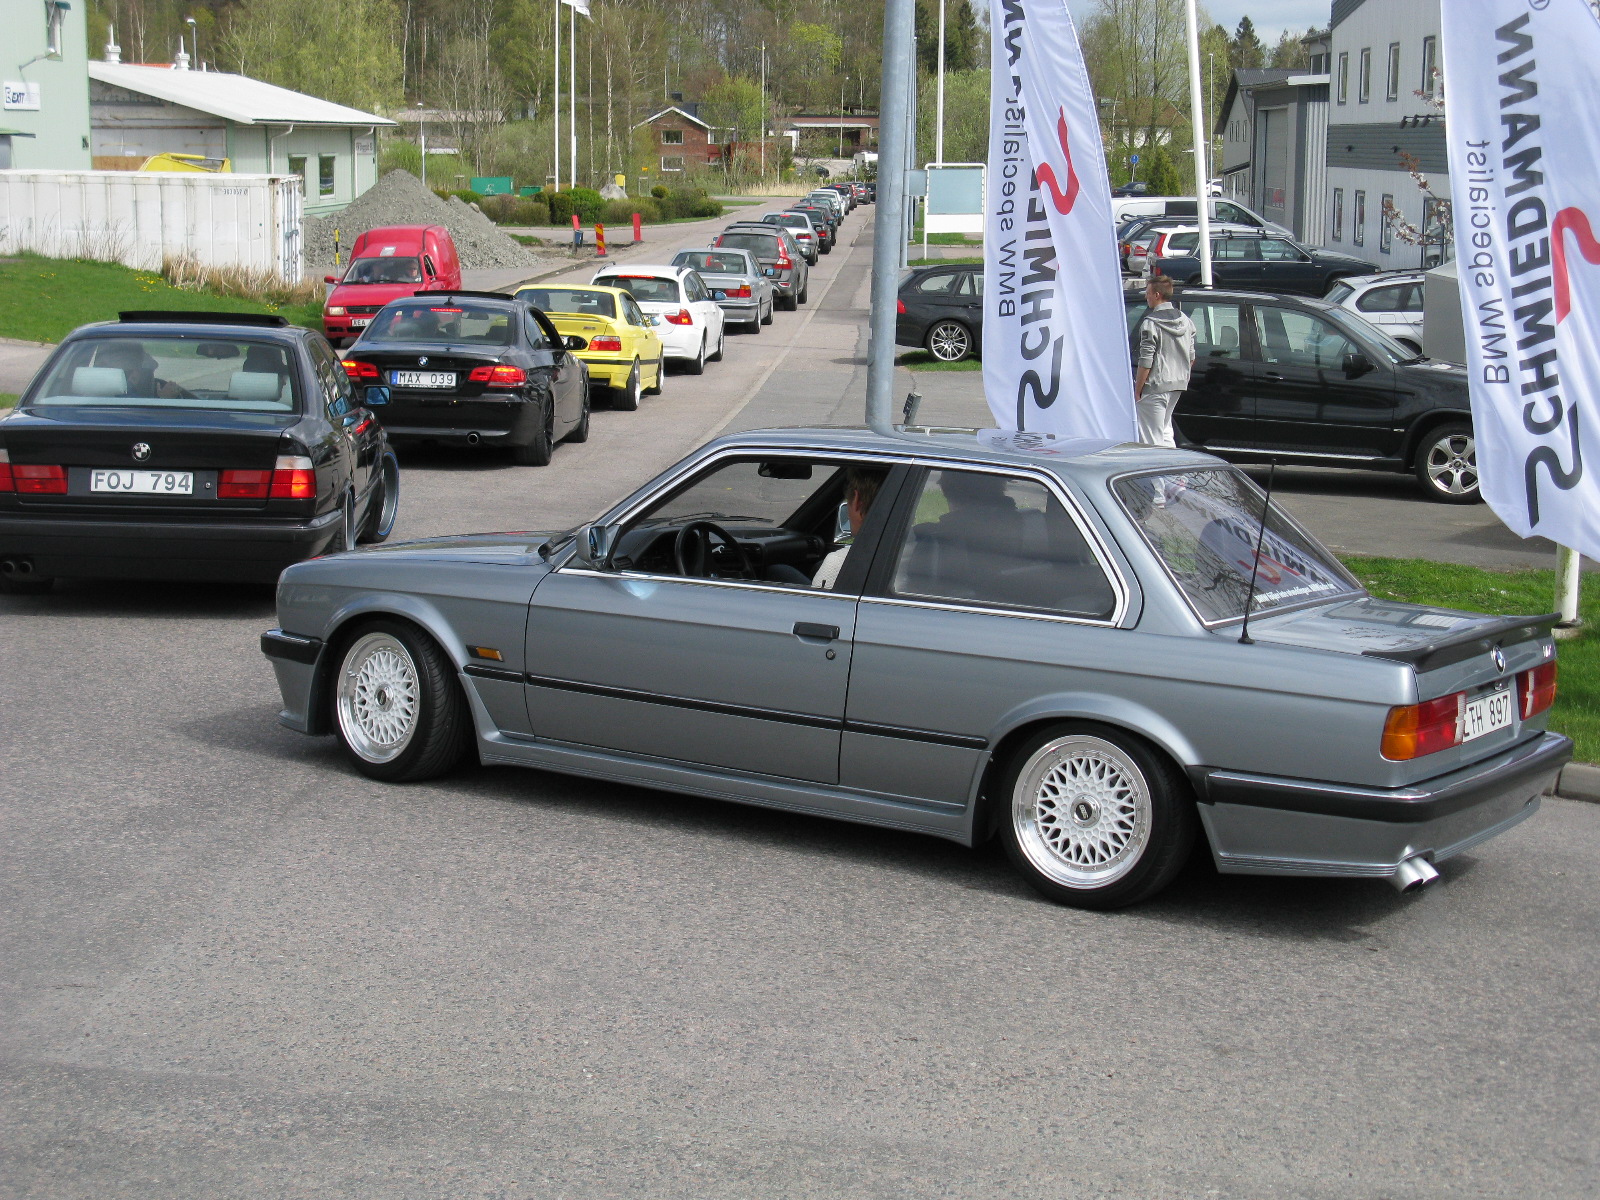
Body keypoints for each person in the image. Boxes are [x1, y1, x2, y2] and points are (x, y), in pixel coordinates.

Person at [1133, 275, 1196, 448]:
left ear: (1157, 295)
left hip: (1155, 387)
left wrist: (1138, 390)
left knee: (1150, 439)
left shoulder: (1150, 323)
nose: (1146, 296)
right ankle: (1171, 472)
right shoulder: (1185, 320)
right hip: (1177, 385)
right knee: (1165, 431)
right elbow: (1191, 357)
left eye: (1148, 293)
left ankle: (1155, 474)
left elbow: (1146, 361)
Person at [810, 466, 886, 589]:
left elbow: (815, 607)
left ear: (857, 502)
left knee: (779, 570)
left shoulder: (840, 565)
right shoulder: (922, 554)